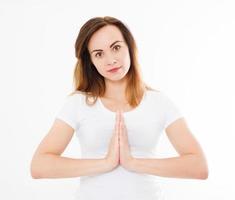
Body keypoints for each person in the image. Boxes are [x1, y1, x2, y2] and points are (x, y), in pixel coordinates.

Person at [30, 16, 208, 200]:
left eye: (116, 48)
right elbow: (39, 166)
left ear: (129, 47)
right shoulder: (78, 103)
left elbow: (199, 167)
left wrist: (133, 163)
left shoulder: (158, 102)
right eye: (99, 54)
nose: (111, 60)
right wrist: (106, 163)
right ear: (91, 61)